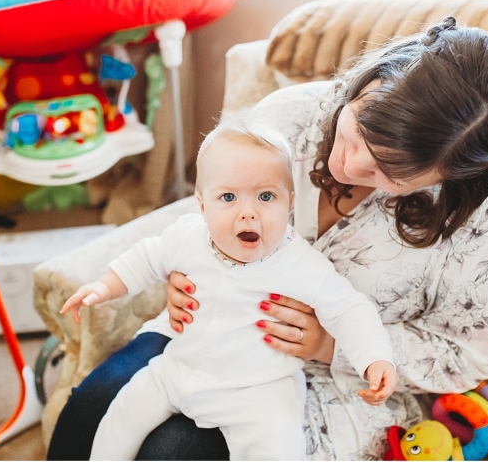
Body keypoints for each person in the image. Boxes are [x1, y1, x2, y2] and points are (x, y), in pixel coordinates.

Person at [47, 16, 488, 460]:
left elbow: (464, 354)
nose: (353, 163)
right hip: (201, 333)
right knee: (88, 414)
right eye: (360, 129)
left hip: (328, 384)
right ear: (373, 78)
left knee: (172, 453)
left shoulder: (481, 213)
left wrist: (329, 345)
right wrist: (189, 268)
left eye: (392, 172)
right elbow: (213, 201)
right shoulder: (289, 118)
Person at [60, 119, 397, 460]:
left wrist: (374, 358)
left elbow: (349, 309)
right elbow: (145, 259)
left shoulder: (300, 263)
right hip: (179, 368)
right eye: (228, 197)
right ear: (202, 204)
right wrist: (103, 287)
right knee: (120, 415)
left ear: (289, 203)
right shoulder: (188, 237)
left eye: (266, 196)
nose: (248, 213)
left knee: (279, 443)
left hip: (258, 391)